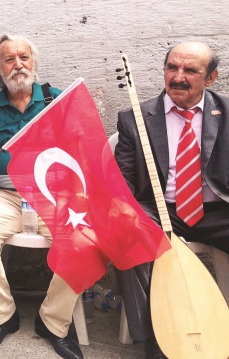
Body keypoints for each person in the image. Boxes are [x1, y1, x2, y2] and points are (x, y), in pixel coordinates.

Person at [0, 34, 83, 359]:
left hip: (51, 195)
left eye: (23, 57)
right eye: (9, 59)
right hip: (6, 195)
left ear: (34, 62)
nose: (18, 64)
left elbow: (81, 148)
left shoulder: (55, 99)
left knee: (83, 243)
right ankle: (2, 316)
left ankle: (53, 322)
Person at [114, 41, 228, 359]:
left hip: (216, 209)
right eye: (172, 68)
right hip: (160, 207)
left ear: (211, 77)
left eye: (190, 70)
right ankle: (154, 340)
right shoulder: (134, 118)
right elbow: (123, 182)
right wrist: (125, 210)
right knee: (127, 235)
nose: (178, 77)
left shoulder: (227, 112)